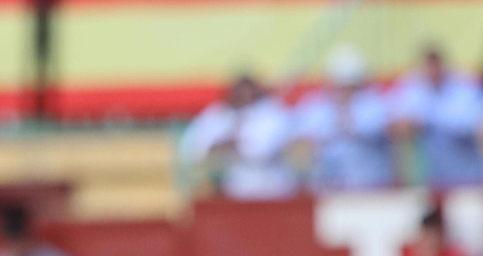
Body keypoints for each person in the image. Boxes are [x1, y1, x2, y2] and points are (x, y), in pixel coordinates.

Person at [180, 74, 300, 200]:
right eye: (240, 92)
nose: (244, 95)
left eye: (247, 91)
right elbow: (193, 148)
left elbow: (262, 151)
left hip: (273, 183)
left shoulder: (272, 112)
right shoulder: (218, 113)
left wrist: (234, 144)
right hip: (236, 183)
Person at [294, 45, 394, 191]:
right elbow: (303, 141)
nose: (344, 90)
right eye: (340, 85)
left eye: (350, 86)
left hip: (369, 185)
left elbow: (373, 130)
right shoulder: (318, 106)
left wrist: (343, 116)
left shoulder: (375, 105)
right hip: (329, 187)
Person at [388, 44, 483, 189]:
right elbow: (396, 120)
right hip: (431, 177)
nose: (432, 71)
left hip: (466, 175)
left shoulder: (463, 87)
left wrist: (428, 121)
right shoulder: (413, 86)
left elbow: (472, 125)